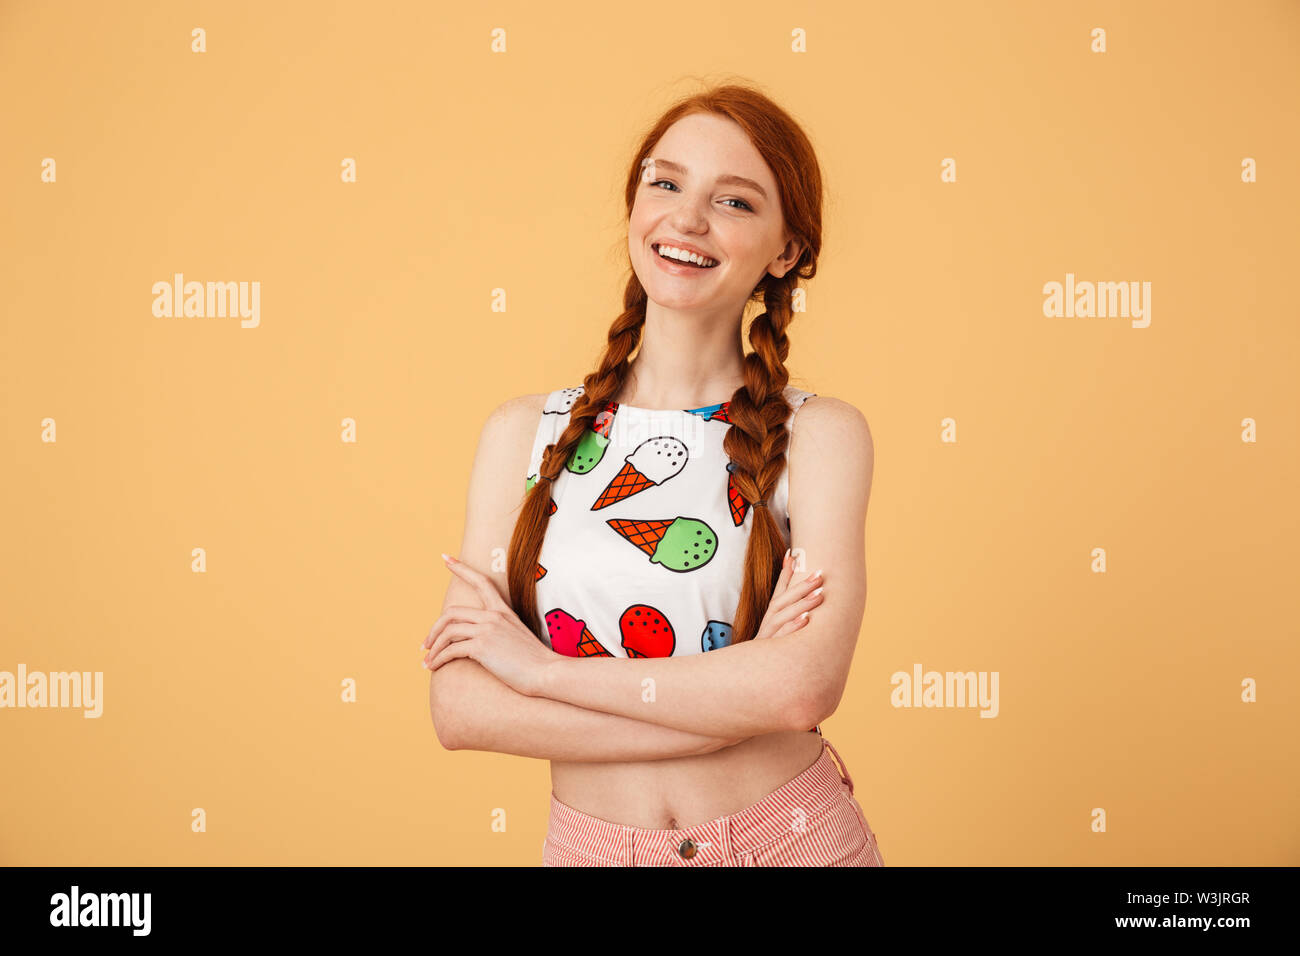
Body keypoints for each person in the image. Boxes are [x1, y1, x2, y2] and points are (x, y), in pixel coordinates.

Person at [422, 83, 881, 866]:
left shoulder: (821, 436)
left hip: (790, 843)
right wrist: (735, 694)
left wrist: (536, 673)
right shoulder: (521, 436)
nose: (688, 219)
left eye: (734, 202)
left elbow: (802, 691)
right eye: (665, 183)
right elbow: (462, 708)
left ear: (788, 251)